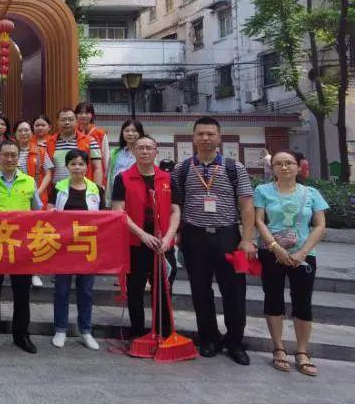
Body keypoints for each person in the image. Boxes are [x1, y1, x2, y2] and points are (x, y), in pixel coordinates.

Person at [171, 116, 255, 365]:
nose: (205, 138)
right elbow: (177, 205)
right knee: (200, 290)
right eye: (201, 134)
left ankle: (235, 342)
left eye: (210, 134)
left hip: (227, 236)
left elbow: (247, 206)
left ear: (219, 137)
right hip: (194, 237)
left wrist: (247, 239)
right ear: (193, 138)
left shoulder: (234, 168)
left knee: (234, 291)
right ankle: (209, 338)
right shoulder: (182, 169)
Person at [254, 151, 327, 376]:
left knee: (302, 302)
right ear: (272, 168)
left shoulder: (312, 193)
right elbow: (259, 220)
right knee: (273, 299)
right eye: (278, 164)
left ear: (298, 167)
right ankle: (279, 348)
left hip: (303, 256)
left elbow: (319, 225)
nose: (284, 167)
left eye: (289, 163)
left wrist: (303, 253)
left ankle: (302, 352)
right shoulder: (262, 191)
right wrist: (275, 248)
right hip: (271, 253)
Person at [110, 135, 181, 339]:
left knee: (164, 289)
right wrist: (142, 235)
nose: (145, 151)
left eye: (149, 148)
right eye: (140, 148)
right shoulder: (123, 178)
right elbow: (118, 211)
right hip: (135, 243)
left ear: (156, 151)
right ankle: (138, 334)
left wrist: (168, 237)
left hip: (163, 244)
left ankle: (163, 333)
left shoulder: (167, 178)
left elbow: (175, 211)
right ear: (134, 151)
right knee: (136, 291)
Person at [0, 140, 40, 355]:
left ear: (19, 157)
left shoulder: (29, 182)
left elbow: (38, 213)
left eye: (14, 155)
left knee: (22, 293)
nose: (10, 159)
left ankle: (21, 334)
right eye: (6, 155)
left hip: (22, 247)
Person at [47, 149, 104, 350]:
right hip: (63, 247)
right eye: (73, 164)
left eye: (81, 164)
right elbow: (50, 212)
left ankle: (86, 331)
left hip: (88, 247)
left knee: (86, 291)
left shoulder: (97, 189)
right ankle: (60, 329)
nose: (77, 167)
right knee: (61, 290)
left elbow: (104, 219)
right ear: (67, 166)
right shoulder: (58, 187)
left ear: (86, 166)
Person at [14, 119, 45, 288]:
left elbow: (48, 172)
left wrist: (37, 192)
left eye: (27, 130)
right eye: (20, 130)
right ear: (15, 134)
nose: (24, 133)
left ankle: (34, 272)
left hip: (33, 197)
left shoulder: (40, 151)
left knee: (33, 236)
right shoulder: (10, 150)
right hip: (12, 200)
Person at [47, 108, 102, 185]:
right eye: (63, 120)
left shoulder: (90, 141)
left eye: (70, 119)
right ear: (57, 122)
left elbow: (97, 168)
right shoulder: (48, 143)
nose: (67, 122)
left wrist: (97, 190)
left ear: (76, 121)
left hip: (83, 188)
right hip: (56, 189)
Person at [106, 119, 145, 203]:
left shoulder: (146, 152)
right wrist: (108, 200)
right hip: (117, 196)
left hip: (138, 197)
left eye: (134, 131)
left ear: (140, 133)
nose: (130, 134)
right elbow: (109, 176)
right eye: (127, 130)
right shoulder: (114, 153)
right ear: (122, 133)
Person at [75, 101, 110, 185]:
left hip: (96, 174)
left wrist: (105, 177)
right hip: (75, 174)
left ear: (92, 115)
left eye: (87, 113)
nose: (83, 115)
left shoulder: (100, 134)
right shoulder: (72, 132)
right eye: (80, 113)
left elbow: (106, 157)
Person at [29, 114, 55, 207]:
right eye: (37, 125)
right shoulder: (29, 142)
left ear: (49, 127)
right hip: (35, 181)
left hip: (53, 179)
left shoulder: (54, 141)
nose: (40, 128)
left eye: (43, 125)